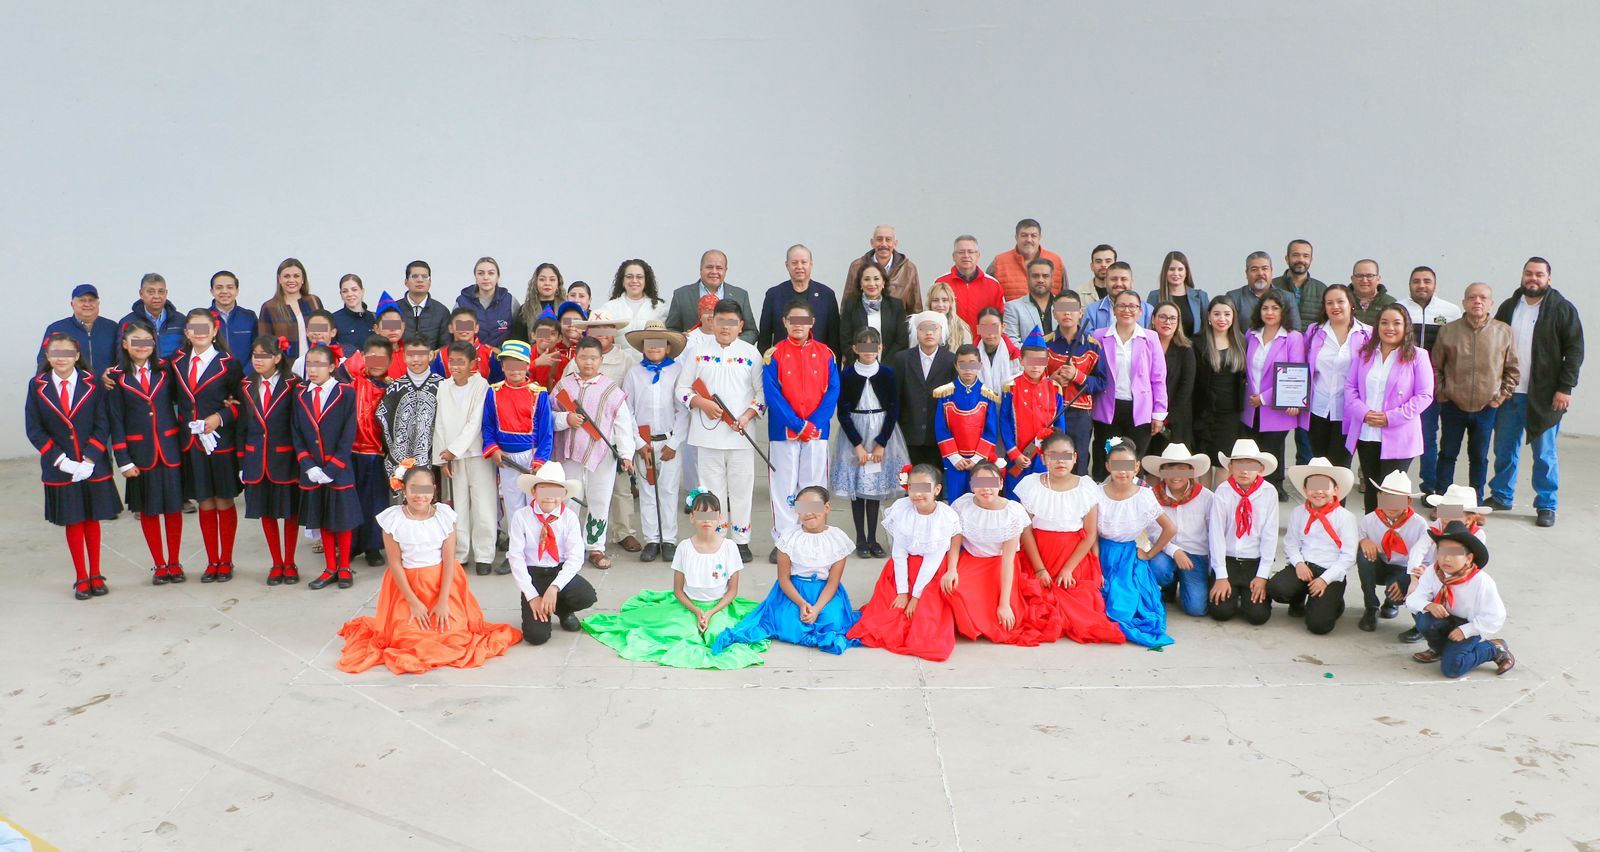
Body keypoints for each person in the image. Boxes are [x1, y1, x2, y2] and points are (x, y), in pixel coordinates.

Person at [337, 466, 521, 674]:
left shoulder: (444, 516)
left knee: (455, 636)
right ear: (404, 490)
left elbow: (449, 561)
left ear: (434, 490)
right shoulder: (393, 520)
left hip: (442, 586)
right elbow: (395, 563)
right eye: (414, 489)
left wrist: (443, 602)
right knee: (407, 640)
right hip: (407, 589)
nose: (420, 496)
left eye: (425, 489)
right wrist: (413, 602)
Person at [583, 490, 769, 669]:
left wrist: (710, 613)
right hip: (688, 606)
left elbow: (732, 591)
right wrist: (697, 611)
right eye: (701, 515)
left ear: (720, 517)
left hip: (720, 607)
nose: (706, 521)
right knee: (679, 633)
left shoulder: (729, 547)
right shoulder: (684, 548)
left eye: (712, 515)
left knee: (718, 636)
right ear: (692, 517)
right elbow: (678, 590)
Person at [1489, 257, 1584, 527]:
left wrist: (1565, 388)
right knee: (1505, 449)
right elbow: (1494, 345)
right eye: (1528, 273)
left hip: (1545, 395)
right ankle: (1501, 495)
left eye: (1539, 274)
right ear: (1522, 276)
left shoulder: (1562, 309)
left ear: (1548, 279)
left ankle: (1546, 504)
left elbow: (1574, 351)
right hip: (1509, 392)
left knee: (1544, 454)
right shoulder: (1509, 307)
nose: (1533, 278)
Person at [27, 333, 121, 600]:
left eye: (67, 353)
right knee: (74, 520)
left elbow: (103, 423)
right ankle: (81, 575)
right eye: (55, 353)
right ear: (47, 356)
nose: (61, 358)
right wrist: (62, 461)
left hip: (92, 464)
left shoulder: (93, 383)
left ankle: (96, 573)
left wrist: (89, 459)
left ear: (77, 356)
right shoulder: (37, 385)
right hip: (60, 466)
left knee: (92, 518)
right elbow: (34, 429)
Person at [714, 485, 861, 655]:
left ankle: (820, 613)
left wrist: (817, 608)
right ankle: (797, 611)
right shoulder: (789, 537)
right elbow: (783, 579)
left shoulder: (837, 539)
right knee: (790, 625)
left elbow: (833, 582)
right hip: (794, 591)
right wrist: (802, 603)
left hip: (825, 592)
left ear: (826, 507)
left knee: (833, 622)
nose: (808, 513)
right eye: (803, 508)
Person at [676, 299, 765, 563]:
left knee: (741, 490)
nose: (726, 327)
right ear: (711, 322)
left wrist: (747, 416)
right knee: (710, 491)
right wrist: (701, 403)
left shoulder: (751, 354)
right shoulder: (697, 352)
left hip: (740, 436)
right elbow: (681, 389)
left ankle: (741, 541)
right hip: (707, 437)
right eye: (720, 321)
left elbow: (761, 394)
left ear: (741, 325)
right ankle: (715, 538)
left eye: (731, 322)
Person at [1014, 434, 1125, 643]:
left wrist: (1067, 569)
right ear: (1043, 458)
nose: (1060, 461)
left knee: (1081, 608)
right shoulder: (1031, 484)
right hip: (1038, 555)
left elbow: (1090, 534)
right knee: (1031, 606)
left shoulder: (1086, 487)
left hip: (1073, 557)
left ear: (1075, 457)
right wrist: (1039, 569)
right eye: (1053, 455)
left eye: (1066, 455)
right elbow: (1025, 530)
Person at [846, 464, 963, 661]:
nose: (917, 494)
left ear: (937, 489)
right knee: (891, 611)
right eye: (912, 487)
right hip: (903, 567)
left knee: (924, 618)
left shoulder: (945, 517)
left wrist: (915, 596)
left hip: (930, 572)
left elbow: (933, 559)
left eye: (924, 488)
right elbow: (899, 552)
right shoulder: (902, 509)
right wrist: (902, 592)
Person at [107, 320, 187, 584]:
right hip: (140, 453)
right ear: (125, 345)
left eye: (147, 341)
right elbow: (116, 420)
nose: (142, 346)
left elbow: (185, 398)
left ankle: (174, 562)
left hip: (170, 449)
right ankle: (159, 564)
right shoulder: (116, 378)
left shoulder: (166, 370)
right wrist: (123, 459)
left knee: (174, 509)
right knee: (149, 511)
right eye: (136, 341)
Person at [762, 300, 840, 559]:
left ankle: (811, 538)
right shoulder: (774, 355)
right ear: (785, 323)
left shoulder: (826, 354)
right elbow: (773, 395)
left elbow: (833, 392)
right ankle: (784, 541)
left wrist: (813, 424)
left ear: (811, 323)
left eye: (803, 320)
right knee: (783, 487)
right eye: (792, 320)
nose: (798, 325)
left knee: (813, 486)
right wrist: (798, 425)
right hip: (783, 433)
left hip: (816, 434)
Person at [551, 337, 638, 569]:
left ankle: (595, 547)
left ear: (601, 360)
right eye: (583, 357)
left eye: (593, 358)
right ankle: (568, 548)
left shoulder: (611, 389)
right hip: (569, 452)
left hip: (602, 454)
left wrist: (626, 454)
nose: (588, 362)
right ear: (575, 358)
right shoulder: (563, 386)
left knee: (600, 499)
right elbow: (548, 416)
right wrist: (566, 419)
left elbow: (622, 424)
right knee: (569, 499)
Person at [171, 308, 244, 582]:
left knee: (223, 500)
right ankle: (212, 560)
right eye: (194, 328)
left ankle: (226, 559)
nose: (199, 333)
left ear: (214, 331)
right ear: (187, 333)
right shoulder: (176, 363)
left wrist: (220, 417)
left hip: (220, 442)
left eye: (205, 328)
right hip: (192, 443)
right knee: (204, 501)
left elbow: (241, 403)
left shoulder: (229, 363)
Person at [943, 461, 1049, 645]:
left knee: (1000, 610)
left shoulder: (1012, 512)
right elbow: (955, 542)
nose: (986, 489)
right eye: (979, 483)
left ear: (1000, 484)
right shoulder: (962, 505)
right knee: (955, 590)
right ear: (972, 485)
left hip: (1000, 563)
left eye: (991, 483)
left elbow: (1008, 560)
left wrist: (1004, 604)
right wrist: (951, 569)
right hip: (972, 560)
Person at [1345, 303, 1434, 514]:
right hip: (1367, 433)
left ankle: (1394, 535)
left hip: (1400, 434)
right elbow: (1349, 388)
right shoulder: (1364, 354)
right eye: (1384, 322)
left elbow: (1424, 396)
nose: (1390, 328)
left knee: (1392, 494)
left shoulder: (1418, 356)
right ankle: (1371, 533)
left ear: (1406, 327)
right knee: (1371, 490)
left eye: (1396, 323)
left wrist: (1390, 417)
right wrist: (1364, 413)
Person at [1433, 283, 1518, 504]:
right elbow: (1435, 367)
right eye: (1472, 297)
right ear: (1464, 302)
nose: (1477, 301)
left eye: (1483, 298)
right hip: (1453, 405)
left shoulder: (1503, 332)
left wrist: (1500, 397)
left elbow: (1512, 370)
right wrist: (1442, 394)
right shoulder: (1448, 331)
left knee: (1479, 457)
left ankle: (1475, 504)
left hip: (1487, 407)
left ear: (1491, 303)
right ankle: (1443, 503)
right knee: (1448, 454)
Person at [832, 327, 908, 558]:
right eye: (863, 346)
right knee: (857, 488)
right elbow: (842, 412)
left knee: (873, 487)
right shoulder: (846, 375)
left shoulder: (887, 374)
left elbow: (894, 409)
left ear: (880, 347)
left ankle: (873, 538)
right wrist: (857, 444)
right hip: (855, 435)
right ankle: (860, 538)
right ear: (855, 349)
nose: (868, 350)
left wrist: (881, 443)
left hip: (880, 434)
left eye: (873, 345)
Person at [1095, 438, 1177, 647]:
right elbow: (1091, 534)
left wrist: (1149, 554)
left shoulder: (1144, 495)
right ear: (1108, 466)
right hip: (1100, 554)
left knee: (1125, 607)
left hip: (1128, 557)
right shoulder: (1097, 493)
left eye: (1127, 466)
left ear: (1136, 467)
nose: (1122, 471)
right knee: (1096, 604)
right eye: (1117, 465)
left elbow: (1170, 528)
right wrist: (1095, 566)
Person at [481, 340, 556, 570]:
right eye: (509, 364)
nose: (514, 369)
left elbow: (547, 432)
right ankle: (515, 553)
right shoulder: (493, 392)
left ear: (527, 366)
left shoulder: (538, 394)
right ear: (502, 366)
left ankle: (536, 551)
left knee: (535, 506)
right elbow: (487, 426)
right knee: (513, 507)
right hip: (506, 460)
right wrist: (493, 449)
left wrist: (540, 461)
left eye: (519, 364)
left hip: (531, 458)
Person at [1405, 521, 1514, 677]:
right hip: (1445, 618)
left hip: (1470, 625)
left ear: (1469, 558)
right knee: (1423, 618)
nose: (1446, 559)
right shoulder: (1432, 572)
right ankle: (1440, 649)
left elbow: (1495, 616)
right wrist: (1428, 605)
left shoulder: (1481, 581)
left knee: (1452, 669)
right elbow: (1413, 599)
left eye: (1454, 553)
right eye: (1442, 552)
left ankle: (1493, 649)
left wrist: (1466, 630)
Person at [292, 343, 361, 590]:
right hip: (312, 470)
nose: (313, 370)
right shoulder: (300, 393)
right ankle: (330, 567)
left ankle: (344, 567)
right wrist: (308, 465)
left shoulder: (345, 393)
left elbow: (348, 433)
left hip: (338, 469)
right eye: (309, 364)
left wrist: (332, 468)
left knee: (341, 519)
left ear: (332, 367)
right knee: (322, 519)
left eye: (319, 364)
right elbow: (296, 431)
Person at [505, 464, 598, 645]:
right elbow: (516, 557)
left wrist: (555, 587)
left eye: (555, 491)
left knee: (586, 595)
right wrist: (532, 595)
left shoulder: (569, 518)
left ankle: (562, 610)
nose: (549, 496)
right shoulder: (521, 517)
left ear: (564, 495)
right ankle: (541, 608)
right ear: (534, 491)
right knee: (536, 637)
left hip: (558, 571)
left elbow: (576, 557)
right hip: (534, 574)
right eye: (544, 490)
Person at [622, 320, 690, 563]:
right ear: (642, 347)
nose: (654, 347)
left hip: (668, 442)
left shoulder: (678, 372)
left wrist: (675, 442)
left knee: (669, 491)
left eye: (659, 343)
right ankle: (652, 539)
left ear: (668, 347)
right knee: (648, 491)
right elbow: (627, 410)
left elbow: (683, 410)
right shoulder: (634, 373)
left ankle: (669, 539)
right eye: (649, 343)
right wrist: (639, 443)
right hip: (645, 444)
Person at [237, 334, 301, 585]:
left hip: (285, 458)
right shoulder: (245, 385)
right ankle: (277, 562)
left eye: (264, 355)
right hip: (256, 458)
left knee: (290, 513)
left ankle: (290, 561)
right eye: (255, 355)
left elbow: (298, 424)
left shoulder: (293, 384)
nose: (258, 360)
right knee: (266, 513)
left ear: (277, 357)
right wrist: (242, 461)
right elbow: (242, 427)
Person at [1268, 458, 1358, 634]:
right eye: (1313, 486)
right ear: (1305, 489)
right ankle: (1298, 598)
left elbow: (1348, 556)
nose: (1318, 491)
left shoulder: (1346, 518)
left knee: (1319, 625)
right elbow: (1291, 543)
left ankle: (1334, 602)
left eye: (1324, 486)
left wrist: (1325, 579)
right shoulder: (1298, 512)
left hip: (1330, 571)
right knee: (1276, 588)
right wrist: (1299, 563)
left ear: (1335, 489)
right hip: (1305, 567)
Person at [432, 341, 496, 576]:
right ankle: (460, 553)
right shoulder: (443, 386)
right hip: (452, 456)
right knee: (458, 505)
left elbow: (475, 422)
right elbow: (439, 423)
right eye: (452, 361)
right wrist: (443, 457)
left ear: (472, 364)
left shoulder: (481, 385)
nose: (455, 366)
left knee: (483, 504)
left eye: (460, 362)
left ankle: (484, 555)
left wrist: (454, 449)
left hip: (477, 453)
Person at [1397, 266, 1461, 496]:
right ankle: (1394, 484)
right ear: (1409, 284)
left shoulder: (1451, 312)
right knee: (1399, 435)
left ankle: (1429, 486)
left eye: (1427, 281)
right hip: (1402, 385)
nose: (1421, 285)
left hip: (1435, 384)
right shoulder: (1399, 308)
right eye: (1416, 281)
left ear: (1435, 284)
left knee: (1428, 436)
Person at [1092, 290, 1167, 475]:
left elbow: (1158, 378)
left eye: (1132, 306)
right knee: (1108, 458)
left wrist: (1159, 413)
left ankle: (1133, 492)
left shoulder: (1150, 337)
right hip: (1108, 409)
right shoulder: (1099, 336)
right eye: (1122, 306)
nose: (1127, 310)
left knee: (1133, 461)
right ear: (1114, 310)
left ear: (1140, 311)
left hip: (1139, 410)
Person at [1141, 444, 1218, 618]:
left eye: (1182, 470)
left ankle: (1186, 584)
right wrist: (1175, 551)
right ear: (1161, 473)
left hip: (1196, 555)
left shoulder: (1207, 497)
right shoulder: (1152, 496)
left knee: (1197, 608)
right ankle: (1168, 585)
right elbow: (1154, 532)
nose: (1176, 476)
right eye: (1170, 470)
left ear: (1191, 472)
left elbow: (1213, 533)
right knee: (1158, 568)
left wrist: (1212, 568)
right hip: (1165, 551)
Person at [1207, 439, 1279, 625]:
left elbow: (1270, 536)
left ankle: (1245, 595)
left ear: (1260, 468)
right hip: (1228, 560)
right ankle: (1232, 592)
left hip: (1254, 562)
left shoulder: (1269, 492)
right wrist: (1221, 575)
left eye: (1250, 465)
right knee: (1220, 612)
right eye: (1239, 464)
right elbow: (1216, 534)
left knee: (1258, 616)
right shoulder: (1223, 491)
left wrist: (1262, 575)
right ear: (1230, 467)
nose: (1244, 471)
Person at [1299, 285, 1369, 470]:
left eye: (1340, 301)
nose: (1335, 306)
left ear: (1351, 304)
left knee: (1340, 468)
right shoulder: (1314, 332)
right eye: (1329, 303)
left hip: (1349, 411)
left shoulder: (1367, 334)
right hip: (1318, 409)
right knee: (1319, 466)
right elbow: (1302, 366)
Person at [1241, 290, 1304, 493]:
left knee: (1270, 455)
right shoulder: (1251, 334)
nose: (1269, 312)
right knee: (1253, 454)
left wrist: (1264, 398)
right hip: (1250, 407)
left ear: (1284, 311)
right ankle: (1251, 494)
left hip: (1277, 408)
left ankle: (1271, 493)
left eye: (1275, 308)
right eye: (1265, 308)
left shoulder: (1293, 337)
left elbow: (1294, 374)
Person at [1355, 470, 1431, 632]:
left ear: (1409, 501)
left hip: (1404, 570)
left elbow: (1427, 560)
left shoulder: (1419, 524)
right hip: (1379, 566)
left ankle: (1391, 602)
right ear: (1379, 497)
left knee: (1397, 593)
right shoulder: (1368, 520)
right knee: (1362, 554)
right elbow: (1355, 540)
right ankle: (1371, 607)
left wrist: (1407, 578)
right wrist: (1363, 541)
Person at [342, 335, 394, 567]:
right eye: (371, 357)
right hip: (350, 450)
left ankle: (373, 547)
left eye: (382, 358)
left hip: (376, 452)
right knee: (350, 500)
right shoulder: (352, 380)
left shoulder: (391, 388)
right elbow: (348, 365)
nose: (376, 363)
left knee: (375, 502)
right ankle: (350, 545)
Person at [1044, 293, 1107, 477]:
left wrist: (1077, 376)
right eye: (1061, 309)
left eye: (1071, 309)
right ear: (1054, 313)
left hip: (1080, 414)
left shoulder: (1093, 346)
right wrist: (1051, 381)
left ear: (1081, 313)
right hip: (1048, 410)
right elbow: (1031, 378)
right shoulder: (1043, 344)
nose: (1067, 313)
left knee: (1078, 459)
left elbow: (1102, 382)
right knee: (1051, 457)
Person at [999, 329, 1065, 497]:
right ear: (1021, 360)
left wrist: (1054, 453)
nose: (1035, 366)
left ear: (1047, 361)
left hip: (1045, 458)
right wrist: (1014, 453)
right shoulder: (1011, 388)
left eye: (1040, 361)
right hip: (1019, 457)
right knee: (1015, 499)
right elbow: (1004, 422)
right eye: (1030, 360)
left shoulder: (1055, 389)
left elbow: (1060, 427)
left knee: (1043, 498)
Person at [933, 344, 1001, 501]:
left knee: (980, 500)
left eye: (972, 364)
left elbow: (990, 431)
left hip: (980, 462)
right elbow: (941, 428)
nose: (968, 369)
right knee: (955, 501)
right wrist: (955, 457)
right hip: (954, 461)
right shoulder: (945, 393)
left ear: (980, 365)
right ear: (956, 366)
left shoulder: (988, 395)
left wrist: (977, 460)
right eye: (963, 364)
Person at [892, 311, 957, 471]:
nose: (929, 333)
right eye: (923, 328)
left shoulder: (951, 360)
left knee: (936, 478)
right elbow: (895, 397)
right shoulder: (902, 359)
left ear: (941, 331)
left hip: (939, 435)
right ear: (916, 331)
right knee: (911, 478)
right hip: (909, 433)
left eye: (934, 328)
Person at [376, 333, 443, 483]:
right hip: (401, 459)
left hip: (435, 458)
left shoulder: (442, 386)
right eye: (411, 355)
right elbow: (383, 419)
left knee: (430, 492)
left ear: (431, 355)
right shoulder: (395, 388)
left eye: (421, 354)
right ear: (404, 357)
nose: (416, 359)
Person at [756, 244, 841, 353]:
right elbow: (765, 336)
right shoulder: (774, 295)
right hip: (783, 359)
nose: (799, 266)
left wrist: (834, 362)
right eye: (794, 263)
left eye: (804, 262)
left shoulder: (827, 295)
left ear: (811, 264)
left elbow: (834, 337)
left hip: (817, 359)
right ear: (787, 265)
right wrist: (764, 361)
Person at [664, 250, 758, 343]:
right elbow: (671, 329)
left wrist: (736, 342)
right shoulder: (681, 295)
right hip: (693, 351)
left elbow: (751, 331)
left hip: (730, 351)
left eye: (719, 268)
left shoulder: (740, 296)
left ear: (725, 270)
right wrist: (681, 339)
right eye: (709, 267)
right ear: (701, 268)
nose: (714, 271)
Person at [838, 260, 909, 366]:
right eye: (867, 279)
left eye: (876, 279)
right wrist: (864, 364)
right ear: (860, 283)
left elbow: (901, 342)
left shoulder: (896, 306)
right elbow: (845, 341)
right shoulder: (851, 305)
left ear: (883, 282)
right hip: (857, 367)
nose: (872, 284)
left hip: (889, 367)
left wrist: (882, 366)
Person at [936, 235, 1006, 339]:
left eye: (970, 252)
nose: (966, 255)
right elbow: (932, 316)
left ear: (978, 256)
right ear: (953, 256)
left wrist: (981, 340)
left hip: (982, 343)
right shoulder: (941, 282)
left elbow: (1000, 318)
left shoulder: (993, 285)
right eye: (961, 252)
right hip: (950, 341)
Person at [40, 284, 119, 375]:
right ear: (72, 304)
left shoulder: (112, 327)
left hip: (107, 383)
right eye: (82, 300)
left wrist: (114, 375)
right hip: (74, 384)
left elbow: (123, 358)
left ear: (98, 303)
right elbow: (44, 362)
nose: (87, 304)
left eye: (91, 300)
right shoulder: (57, 329)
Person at [1149, 300, 1196, 453]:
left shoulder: (1185, 349)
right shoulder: (1144, 345)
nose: (1167, 322)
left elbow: (1186, 387)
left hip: (1175, 419)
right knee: (1143, 461)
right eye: (1162, 317)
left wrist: (1165, 418)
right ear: (1153, 319)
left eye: (1172, 318)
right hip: (1145, 417)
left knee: (1173, 464)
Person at [842, 225, 923, 313]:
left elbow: (916, 309)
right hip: (863, 321)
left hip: (897, 321)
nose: (884, 244)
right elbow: (847, 305)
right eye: (879, 239)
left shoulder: (908, 269)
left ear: (895, 243)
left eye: (888, 239)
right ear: (872, 242)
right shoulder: (857, 266)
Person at [256, 258, 323, 361]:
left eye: (296, 276)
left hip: (316, 365)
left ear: (303, 279)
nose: (291, 280)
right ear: (279, 279)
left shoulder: (314, 302)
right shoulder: (269, 307)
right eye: (286, 276)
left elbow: (324, 336)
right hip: (286, 367)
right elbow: (264, 346)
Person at [988, 218, 1067, 302]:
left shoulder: (1056, 261)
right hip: (1009, 311)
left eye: (1033, 236)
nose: (1029, 240)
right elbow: (987, 298)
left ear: (1040, 238)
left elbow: (1067, 299)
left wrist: (1068, 309)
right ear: (1016, 237)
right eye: (1024, 235)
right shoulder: (999, 263)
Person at [601, 259, 668, 351]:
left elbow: (665, 342)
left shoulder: (659, 308)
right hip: (618, 359)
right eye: (629, 277)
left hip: (647, 360)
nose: (634, 280)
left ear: (646, 281)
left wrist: (647, 347)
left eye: (639, 277)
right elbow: (601, 339)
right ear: (622, 280)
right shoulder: (609, 308)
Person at [1227, 252, 1301, 333]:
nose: (1260, 273)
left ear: (1271, 271)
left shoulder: (1287, 297)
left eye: (1265, 268)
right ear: (1246, 273)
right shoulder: (1234, 298)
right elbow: (1229, 332)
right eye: (1254, 269)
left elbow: (1295, 331)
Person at [455, 257, 518, 350]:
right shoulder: (462, 303)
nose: (486, 277)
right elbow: (456, 337)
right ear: (475, 276)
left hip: (502, 356)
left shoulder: (510, 301)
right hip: (471, 356)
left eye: (491, 273)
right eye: (480, 273)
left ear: (497, 277)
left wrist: (502, 352)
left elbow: (518, 335)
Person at [121, 273, 186, 359]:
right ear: (141, 294)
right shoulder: (128, 322)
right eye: (150, 292)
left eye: (161, 291)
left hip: (174, 367)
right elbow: (121, 355)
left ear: (166, 293)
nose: (156, 296)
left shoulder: (181, 321)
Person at [1147, 251, 1211, 338]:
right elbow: (1149, 328)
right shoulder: (1154, 296)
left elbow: (1207, 328)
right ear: (1165, 272)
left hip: (1193, 346)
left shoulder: (1200, 297)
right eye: (1171, 269)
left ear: (1186, 272)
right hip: (1162, 346)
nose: (1176, 273)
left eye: (1180, 269)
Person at [1082, 261, 1153, 336]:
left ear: (1131, 283)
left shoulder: (1148, 310)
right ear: (1105, 282)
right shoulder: (1091, 311)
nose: (1119, 284)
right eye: (1113, 279)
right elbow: (1088, 340)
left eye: (1124, 279)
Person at [1272, 239, 1328, 329]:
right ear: (1287, 259)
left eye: (1306, 256)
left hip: (1311, 338)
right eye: (1296, 255)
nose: (1301, 259)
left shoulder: (1322, 289)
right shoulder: (1272, 286)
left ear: (1311, 260)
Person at [1003, 257, 1058, 346]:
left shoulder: (1065, 305)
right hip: (1027, 355)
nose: (1040, 280)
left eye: (1045, 276)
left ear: (1052, 279)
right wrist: (1037, 353)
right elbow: (1011, 343)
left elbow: (1073, 334)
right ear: (1027, 279)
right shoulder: (1012, 307)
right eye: (1035, 276)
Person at [507, 262, 567, 343]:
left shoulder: (566, 309)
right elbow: (518, 340)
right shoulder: (526, 310)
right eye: (542, 279)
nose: (547, 283)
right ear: (535, 283)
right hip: (532, 350)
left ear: (558, 283)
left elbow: (569, 333)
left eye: (552, 280)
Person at [397, 261, 451, 348]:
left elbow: (446, 346)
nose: (420, 280)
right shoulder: (393, 309)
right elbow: (387, 340)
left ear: (430, 282)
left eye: (424, 277)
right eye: (415, 276)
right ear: (406, 282)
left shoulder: (442, 312)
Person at [209, 271, 258, 361]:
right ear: (212, 291)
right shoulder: (202, 319)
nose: (224, 291)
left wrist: (250, 369)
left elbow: (259, 349)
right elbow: (196, 348)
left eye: (230, 287)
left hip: (245, 370)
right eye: (219, 287)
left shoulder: (250, 317)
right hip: (214, 370)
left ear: (237, 291)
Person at [973, 306, 1021, 391]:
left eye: (994, 327)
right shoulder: (969, 356)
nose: (990, 333)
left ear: (1003, 327)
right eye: (984, 328)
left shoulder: (1017, 355)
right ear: (978, 329)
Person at [331, 274, 377, 354]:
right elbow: (330, 349)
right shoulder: (333, 319)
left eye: (354, 290)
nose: (349, 294)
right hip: (347, 362)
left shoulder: (374, 317)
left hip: (374, 361)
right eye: (345, 291)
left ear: (362, 291)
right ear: (341, 294)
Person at [290, 309, 341, 380]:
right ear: (307, 332)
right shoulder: (299, 363)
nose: (317, 333)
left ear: (333, 332)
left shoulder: (343, 360)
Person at [1348, 259, 1398, 328]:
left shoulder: (1390, 303)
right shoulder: (1342, 301)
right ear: (1352, 279)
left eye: (1369, 276)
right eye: (1359, 276)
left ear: (1378, 279)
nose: (1364, 280)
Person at [926, 280, 973, 352]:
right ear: (930, 304)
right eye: (935, 300)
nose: (940, 305)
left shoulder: (962, 328)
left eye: (945, 300)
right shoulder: (922, 326)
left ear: (951, 303)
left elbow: (967, 356)